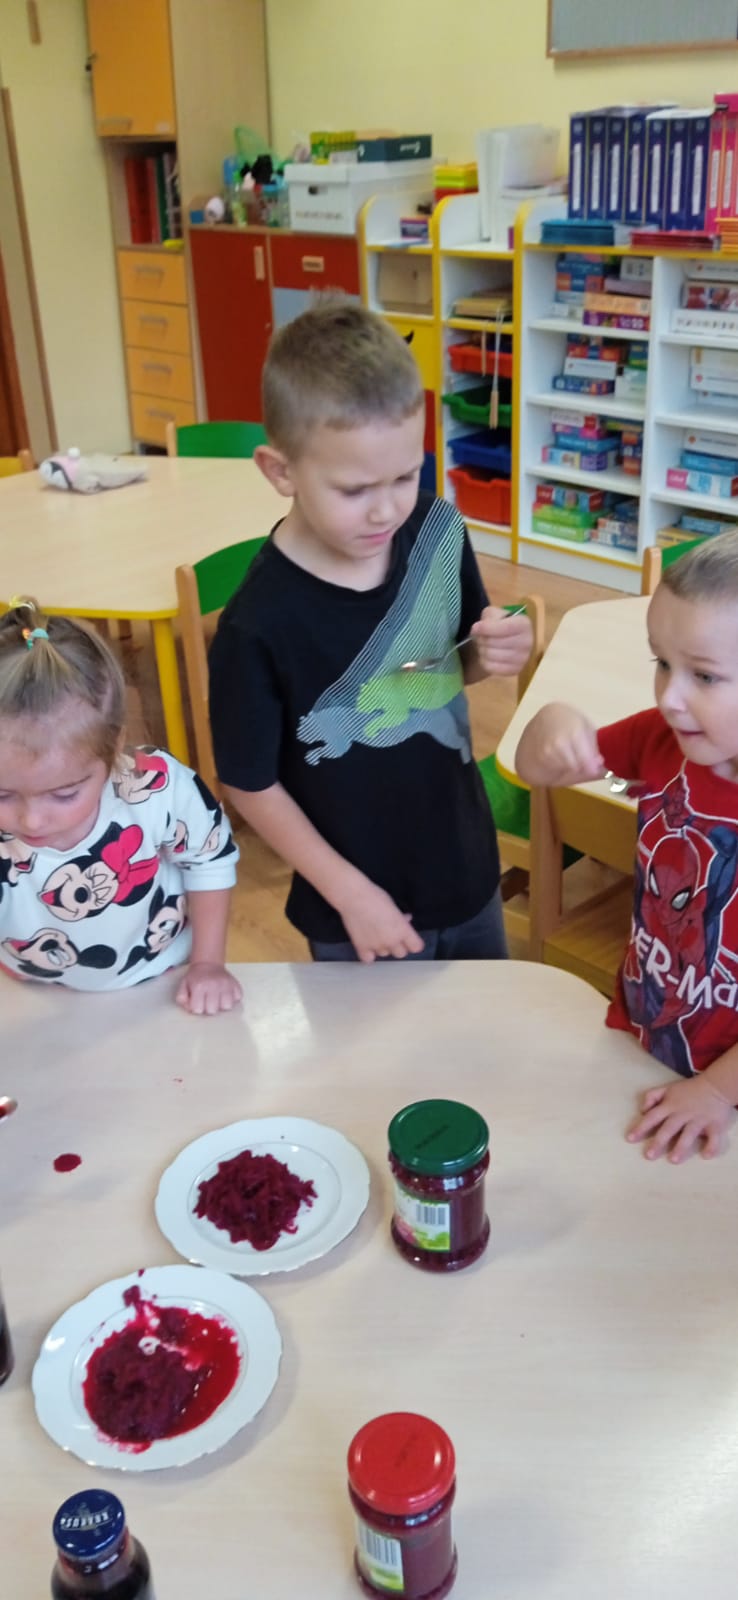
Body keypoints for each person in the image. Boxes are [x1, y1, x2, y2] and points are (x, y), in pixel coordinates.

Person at [208, 300, 532, 963]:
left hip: (466, 869)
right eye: (355, 490)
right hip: (354, 909)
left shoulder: (437, 529)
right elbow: (248, 781)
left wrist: (494, 650)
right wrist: (351, 895)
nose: (387, 510)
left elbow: (453, 664)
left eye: (406, 476)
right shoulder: (256, 623)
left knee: (487, 1028)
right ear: (281, 471)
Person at [515, 531, 738, 1164]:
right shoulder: (662, 738)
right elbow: (536, 768)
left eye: (703, 675)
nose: (669, 696)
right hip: (645, 1039)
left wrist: (717, 1092)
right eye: (661, 663)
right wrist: (551, 723)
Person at [0, 600, 241, 1013]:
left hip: (165, 975)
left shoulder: (158, 787)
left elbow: (209, 862)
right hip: (32, 989)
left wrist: (208, 964)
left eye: (64, 794)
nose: (32, 820)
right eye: (2, 795)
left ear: (114, 749)